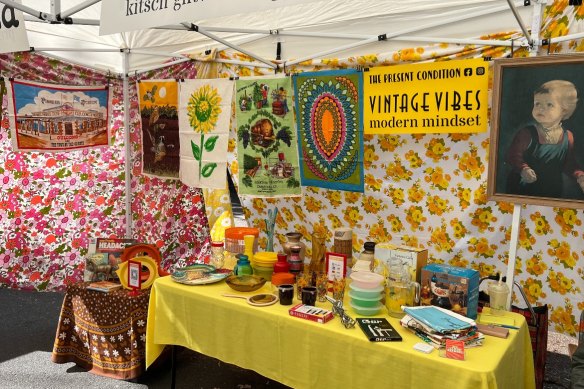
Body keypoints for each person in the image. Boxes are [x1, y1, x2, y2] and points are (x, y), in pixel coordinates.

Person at [506, 80, 584, 198]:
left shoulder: (568, 136)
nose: (541, 108)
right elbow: (513, 156)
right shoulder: (527, 133)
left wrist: (579, 176)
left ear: (564, 110)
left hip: (552, 190)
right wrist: (523, 169)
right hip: (524, 189)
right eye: (537, 104)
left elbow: (568, 164)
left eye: (549, 104)